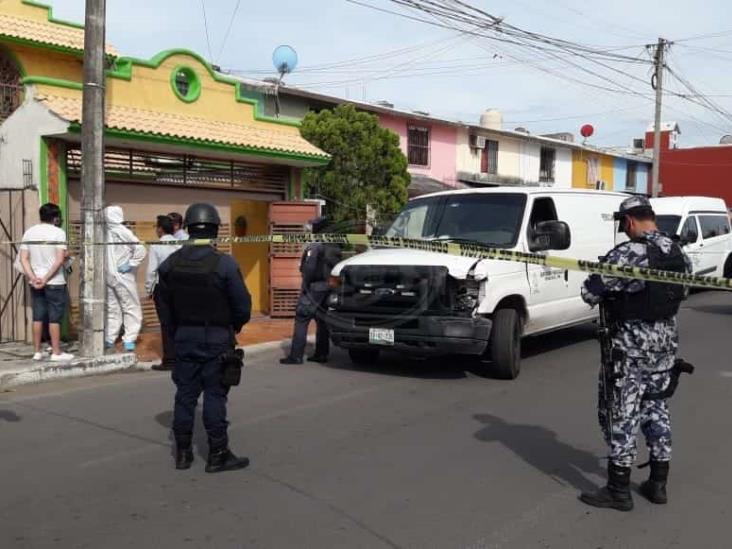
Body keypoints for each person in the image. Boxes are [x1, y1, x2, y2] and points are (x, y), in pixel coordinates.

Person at [579, 196, 692, 511]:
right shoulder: (677, 252)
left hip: (630, 349)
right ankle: (658, 483)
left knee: (621, 413)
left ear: (628, 222)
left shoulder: (628, 252)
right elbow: (683, 291)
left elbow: (590, 291)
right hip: (665, 346)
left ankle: (618, 489)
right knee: (657, 409)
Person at [156, 203, 252, 472]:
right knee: (214, 396)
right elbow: (243, 306)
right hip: (217, 338)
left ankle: (183, 454)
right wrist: (233, 327)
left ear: (186, 228)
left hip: (184, 338)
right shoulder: (224, 264)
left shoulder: (170, 264)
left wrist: (175, 333)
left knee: (185, 396)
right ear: (215, 230)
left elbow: (163, 305)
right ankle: (218, 454)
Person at [280, 217, 342, 365]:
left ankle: (296, 356)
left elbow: (308, 269)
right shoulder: (336, 246)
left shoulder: (314, 246)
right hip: (329, 287)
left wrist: (305, 284)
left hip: (314, 287)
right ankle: (322, 354)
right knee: (321, 321)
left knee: (302, 319)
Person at [19, 203, 73, 362]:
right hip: (54, 282)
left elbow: (23, 259)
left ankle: (37, 351)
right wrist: (46, 279)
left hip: (35, 282)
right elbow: (59, 260)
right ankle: (56, 352)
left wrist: (34, 277)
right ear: (56, 217)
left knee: (38, 317)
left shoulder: (29, 232)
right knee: (54, 318)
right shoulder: (58, 233)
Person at [104, 206, 147, 352]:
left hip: (113, 276)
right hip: (120, 277)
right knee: (130, 307)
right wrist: (130, 264)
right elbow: (141, 249)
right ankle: (126, 338)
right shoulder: (117, 231)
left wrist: (131, 264)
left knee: (114, 308)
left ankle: (113, 338)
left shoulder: (109, 231)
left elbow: (140, 249)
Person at [146, 215, 181, 372]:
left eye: (156, 227)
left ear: (160, 229)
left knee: (166, 324)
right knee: (179, 322)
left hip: (163, 288)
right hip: (181, 286)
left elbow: (152, 271)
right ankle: (181, 357)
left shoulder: (156, 246)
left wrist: (149, 289)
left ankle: (169, 360)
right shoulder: (180, 244)